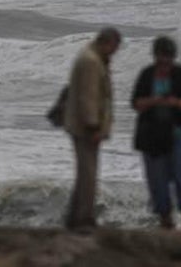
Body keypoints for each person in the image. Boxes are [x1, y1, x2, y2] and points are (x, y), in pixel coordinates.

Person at [130, 35, 181, 231]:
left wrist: (174, 102)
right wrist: (154, 101)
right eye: (161, 57)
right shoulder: (147, 75)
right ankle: (165, 223)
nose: (165, 61)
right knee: (157, 180)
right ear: (155, 56)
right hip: (153, 134)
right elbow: (136, 103)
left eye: (168, 57)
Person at [64, 27, 122, 232]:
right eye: (115, 47)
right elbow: (87, 97)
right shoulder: (90, 61)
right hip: (86, 128)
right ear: (107, 43)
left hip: (83, 126)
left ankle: (75, 216)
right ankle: (83, 219)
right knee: (88, 173)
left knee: (84, 173)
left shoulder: (93, 57)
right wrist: (93, 126)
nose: (115, 52)